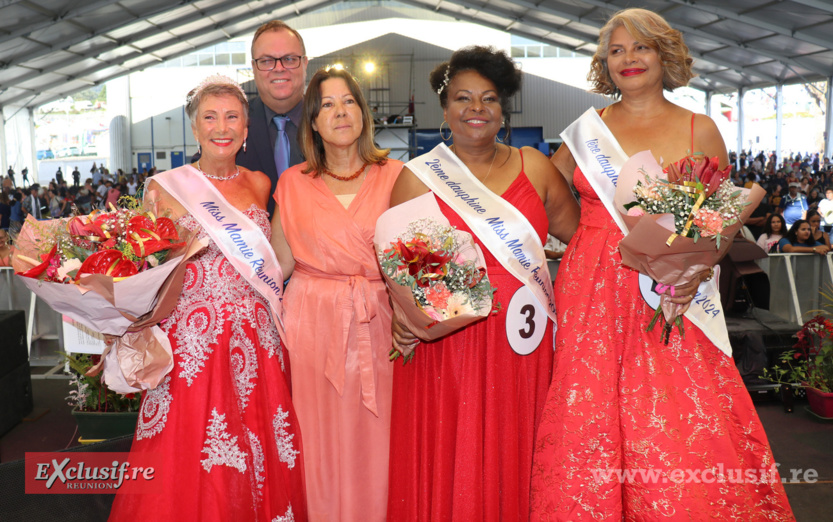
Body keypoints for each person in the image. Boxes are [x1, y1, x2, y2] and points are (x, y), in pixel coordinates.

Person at [530, 9, 794, 520]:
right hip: (591, 287)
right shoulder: (587, 131)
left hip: (670, 287)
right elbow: (545, 197)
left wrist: (691, 272)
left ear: (664, 55)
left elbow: (722, 220)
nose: (629, 59)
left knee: (672, 406)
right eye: (616, 51)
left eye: (641, 47)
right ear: (605, 64)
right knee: (591, 402)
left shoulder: (699, 127)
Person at [387, 46, 579, 521]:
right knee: (456, 451)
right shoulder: (417, 179)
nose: (476, 109)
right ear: (445, 108)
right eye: (463, 99)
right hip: (448, 349)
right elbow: (400, 268)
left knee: (518, 448)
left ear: (503, 107)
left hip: (524, 345)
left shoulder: (535, 167)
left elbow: (582, 241)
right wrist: (400, 315)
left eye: (488, 98)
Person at [108, 74, 306, 522]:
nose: (222, 127)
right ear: (194, 129)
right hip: (192, 340)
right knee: (188, 448)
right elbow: (145, 269)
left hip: (258, 337)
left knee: (260, 442)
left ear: (246, 128)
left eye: (232, 116)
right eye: (210, 117)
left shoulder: (260, 184)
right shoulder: (164, 187)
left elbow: (276, 260)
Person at [271, 67, 401, 522]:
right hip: (311, 326)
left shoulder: (398, 176)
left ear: (363, 113)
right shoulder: (291, 183)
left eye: (348, 101)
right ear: (312, 121)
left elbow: (421, 261)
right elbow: (275, 267)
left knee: (377, 434)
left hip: (380, 324)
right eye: (327, 104)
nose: (340, 111)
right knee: (317, 436)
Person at [238, 20, 308, 218]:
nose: (279, 68)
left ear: (305, 63)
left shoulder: (329, 119)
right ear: (253, 67)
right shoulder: (233, 122)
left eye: (289, 58)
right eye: (267, 61)